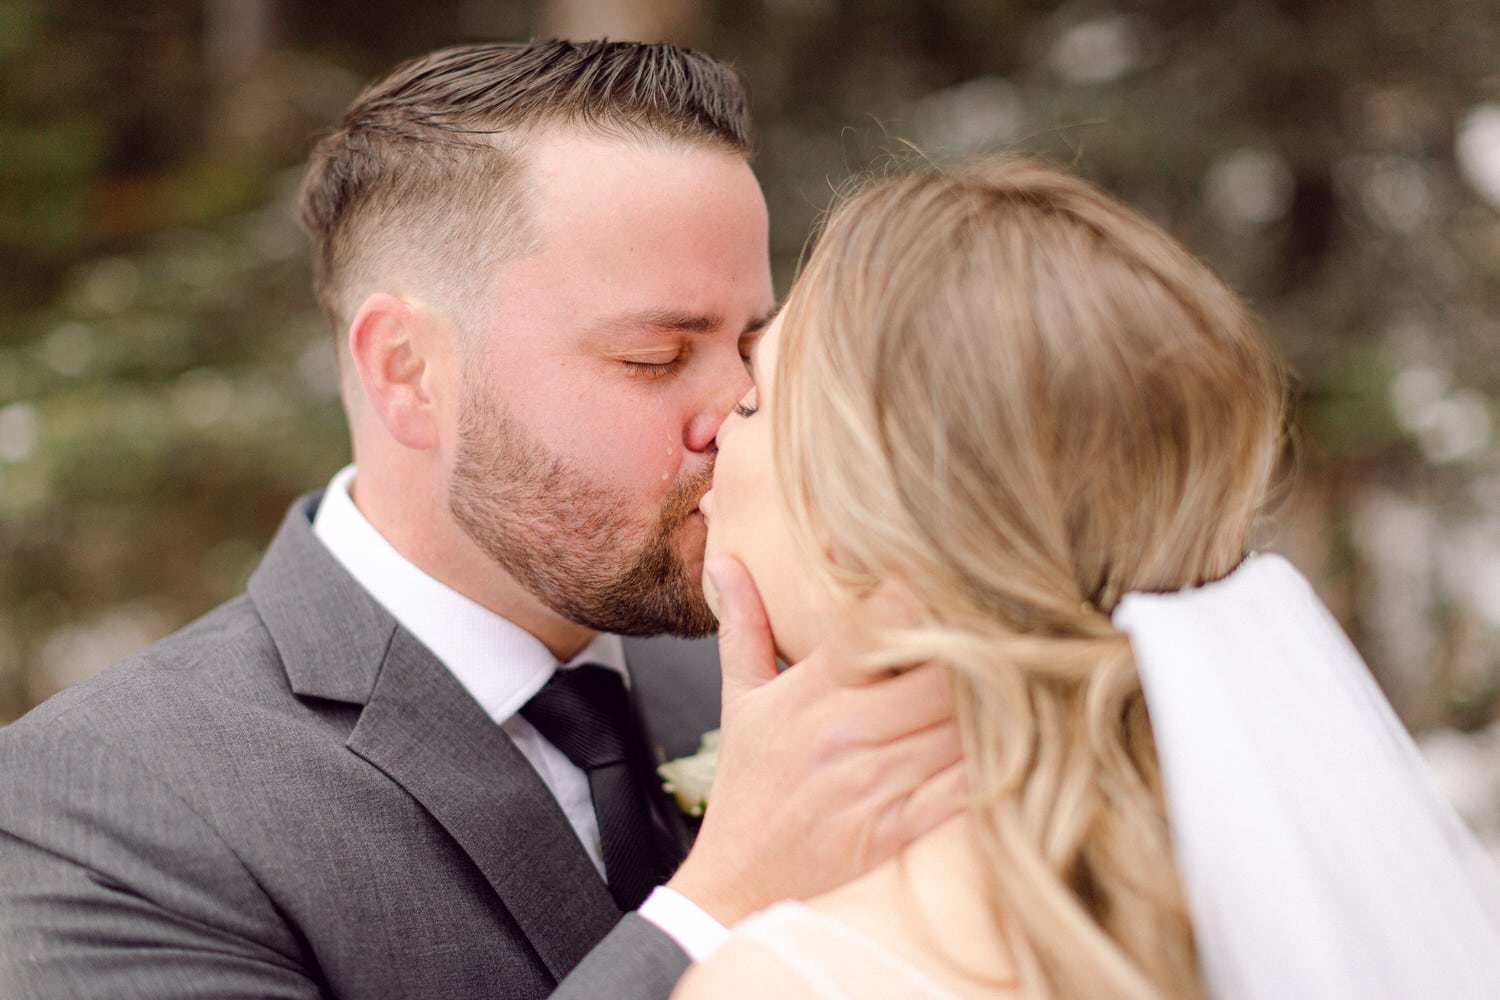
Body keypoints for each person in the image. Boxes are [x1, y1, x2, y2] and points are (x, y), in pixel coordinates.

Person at [0, 41, 963, 1000]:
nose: (737, 411)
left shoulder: (799, 677)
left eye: (751, 344)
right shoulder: (99, 804)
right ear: (409, 373)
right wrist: (721, 903)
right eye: (656, 358)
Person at [676, 157, 1500, 1000]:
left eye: (753, 404)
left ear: (866, 528)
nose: (710, 433)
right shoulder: (1288, 891)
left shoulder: (791, 980)